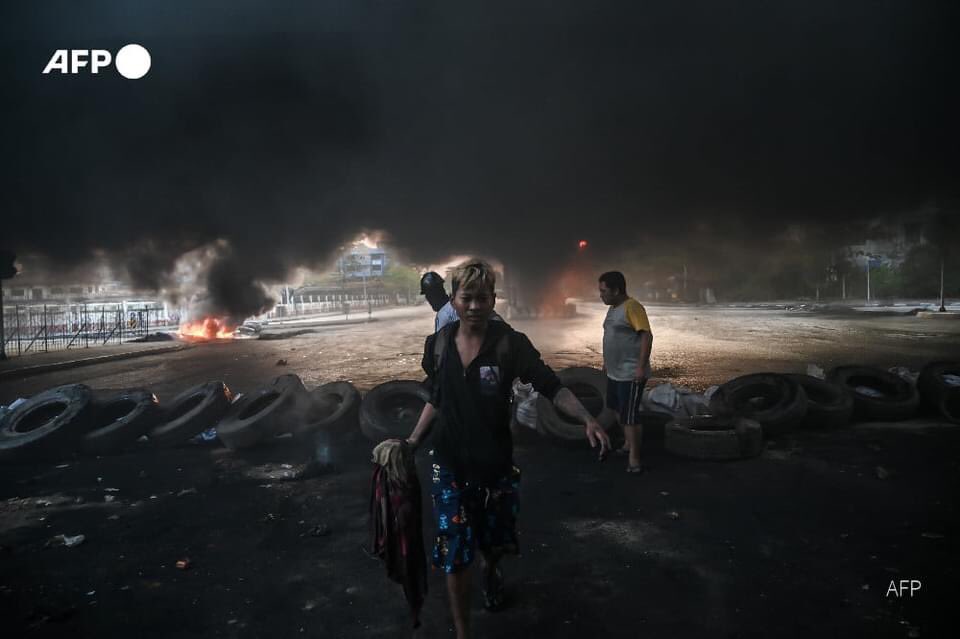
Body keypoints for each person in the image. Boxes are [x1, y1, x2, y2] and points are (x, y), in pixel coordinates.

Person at [405, 259, 610, 639]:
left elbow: (552, 385)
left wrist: (588, 418)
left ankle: (492, 567)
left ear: (493, 300)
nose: (474, 306)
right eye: (467, 298)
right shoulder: (437, 346)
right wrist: (412, 441)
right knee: (455, 554)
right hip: (447, 463)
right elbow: (437, 396)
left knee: (493, 542)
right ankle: (464, 633)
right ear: (454, 299)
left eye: (482, 298)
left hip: (495, 465)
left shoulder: (510, 345)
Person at [598, 271, 653, 474]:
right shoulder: (613, 308)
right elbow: (611, 336)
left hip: (630, 373)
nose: (601, 295)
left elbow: (646, 336)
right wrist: (607, 361)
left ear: (616, 290)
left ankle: (635, 459)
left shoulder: (633, 307)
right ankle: (629, 444)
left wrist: (640, 366)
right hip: (614, 372)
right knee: (615, 408)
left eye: (604, 291)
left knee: (630, 415)